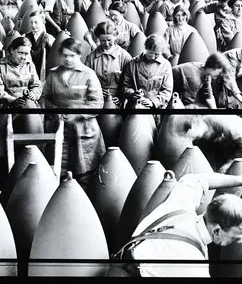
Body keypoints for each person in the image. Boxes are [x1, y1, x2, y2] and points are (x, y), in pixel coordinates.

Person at [121, 170, 242, 277]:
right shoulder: (193, 264)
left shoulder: (180, 204)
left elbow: (196, 179)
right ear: (217, 231)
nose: (241, 241)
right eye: (235, 237)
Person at [40, 38, 105, 189]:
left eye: (72, 55)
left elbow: (97, 103)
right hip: (58, 128)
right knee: (59, 171)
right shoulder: (53, 75)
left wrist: (77, 114)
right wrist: (55, 112)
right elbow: (44, 98)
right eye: (65, 55)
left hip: (84, 131)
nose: (68, 59)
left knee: (84, 173)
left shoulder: (88, 74)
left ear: (79, 55)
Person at [171, 52, 242, 109]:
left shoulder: (205, 73)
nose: (220, 75)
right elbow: (187, 104)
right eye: (219, 72)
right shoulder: (194, 79)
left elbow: (209, 96)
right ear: (214, 67)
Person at [85, 21, 133, 107]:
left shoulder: (125, 57)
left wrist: (121, 97)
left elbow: (129, 83)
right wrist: (96, 92)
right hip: (96, 101)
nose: (106, 44)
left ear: (115, 36)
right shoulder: (91, 58)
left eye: (109, 40)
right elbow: (86, 81)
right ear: (98, 38)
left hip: (118, 102)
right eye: (102, 41)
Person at [119, 34, 173, 109]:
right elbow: (125, 86)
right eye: (151, 53)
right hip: (135, 107)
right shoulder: (133, 63)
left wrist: (153, 102)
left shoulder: (165, 66)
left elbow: (167, 91)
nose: (153, 57)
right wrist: (132, 93)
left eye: (157, 54)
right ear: (146, 48)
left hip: (156, 109)